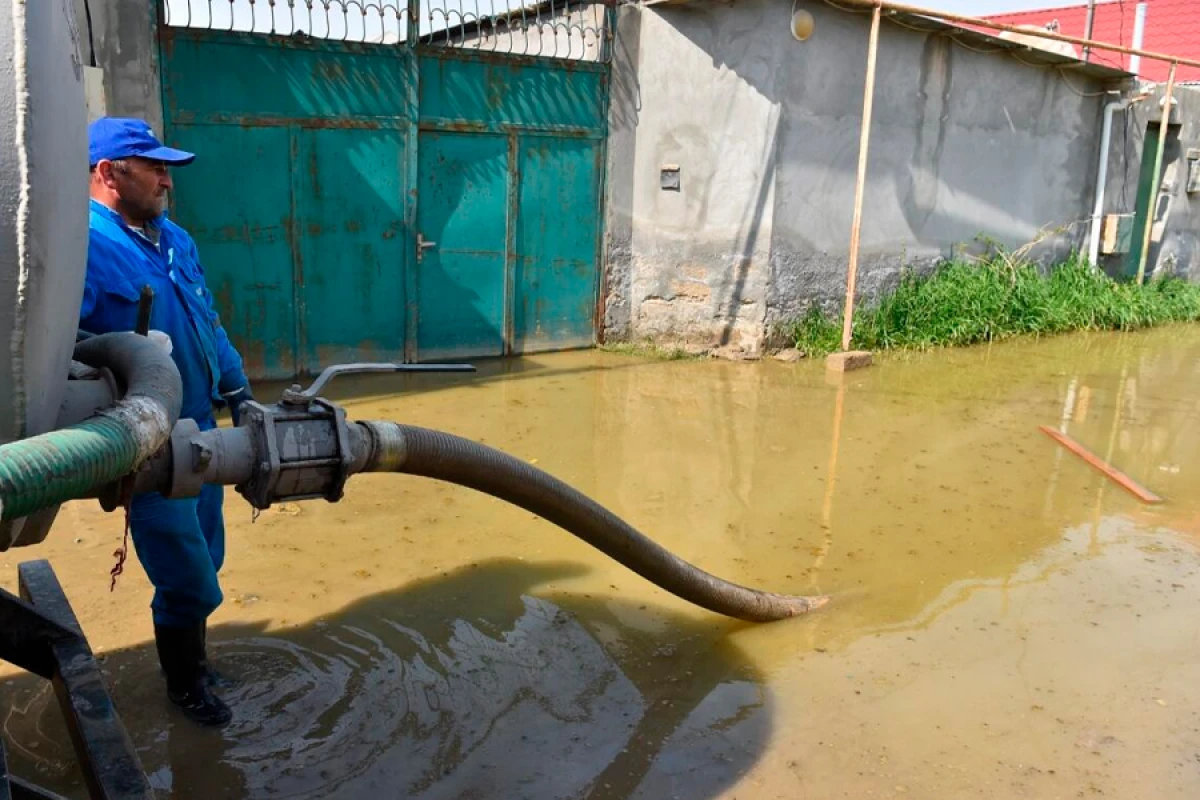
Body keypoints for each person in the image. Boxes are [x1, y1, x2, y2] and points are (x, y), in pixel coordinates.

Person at [80, 117, 253, 727]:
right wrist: (126, 358)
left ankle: (194, 662)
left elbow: (208, 321)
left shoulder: (174, 237)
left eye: (167, 168)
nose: (166, 180)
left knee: (209, 552)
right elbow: (63, 351)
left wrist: (240, 390)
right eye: (152, 168)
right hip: (147, 441)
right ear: (107, 173)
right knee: (187, 576)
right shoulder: (81, 246)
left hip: (202, 427)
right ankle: (184, 687)